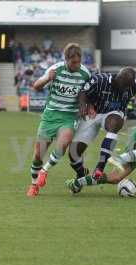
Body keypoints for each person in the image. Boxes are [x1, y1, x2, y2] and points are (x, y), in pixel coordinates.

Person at [27, 43, 90, 198]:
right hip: (50, 116)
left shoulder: (85, 73)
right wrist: (48, 78)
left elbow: (89, 94)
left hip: (69, 117)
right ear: (66, 60)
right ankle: (34, 185)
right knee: (38, 155)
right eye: (73, 62)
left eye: (78, 61)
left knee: (64, 143)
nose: (76, 65)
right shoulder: (55, 69)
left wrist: (88, 107)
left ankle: (45, 170)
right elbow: (36, 86)